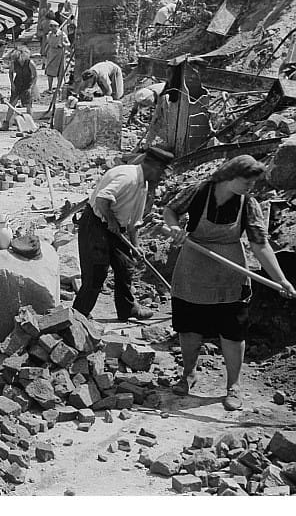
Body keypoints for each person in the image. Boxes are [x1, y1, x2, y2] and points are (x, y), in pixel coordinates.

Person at [163, 155, 296, 410]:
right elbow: (170, 210)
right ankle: (188, 374)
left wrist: (281, 280)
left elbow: (260, 244)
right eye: (246, 181)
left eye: (253, 183)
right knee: (189, 328)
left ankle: (233, 386)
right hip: (193, 269)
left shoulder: (249, 204)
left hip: (229, 275)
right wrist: (174, 228)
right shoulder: (199, 191)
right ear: (229, 175)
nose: (250, 188)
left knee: (232, 333)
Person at [72, 147, 175, 321]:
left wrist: (136, 246)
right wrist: (111, 221)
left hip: (115, 228)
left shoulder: (143, 186)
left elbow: (134, 223)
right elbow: (102, 200)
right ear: (154, 166)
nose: (163, 177)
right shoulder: (128, 177)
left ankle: (127, 309)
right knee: (97, 272)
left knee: (125, 267)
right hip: (95, 224)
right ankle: (78, 316)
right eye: (163, 171)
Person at [1, 43, 37, 131]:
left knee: (28, 104)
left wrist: (31, 87)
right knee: (12, 103)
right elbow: (10, 72)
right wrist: (12, 84)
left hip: (27, 83)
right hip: (17, 83)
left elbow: (35, 75)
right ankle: (6, 123)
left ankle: (30, 124)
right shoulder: (15, 63)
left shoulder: (29, 63)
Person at [43, 20, 70, 92]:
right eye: (50, 26)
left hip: (60, 54)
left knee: (60, 72)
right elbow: (48, 44)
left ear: (56, 27)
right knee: (50, 72)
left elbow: (68, 44)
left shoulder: (62, 34)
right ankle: (50, 88)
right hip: (51, 54)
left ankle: (59, 87)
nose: (52, 28)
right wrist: (45, 52)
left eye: (53, 26)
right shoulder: (49, 34)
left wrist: (63, 44)